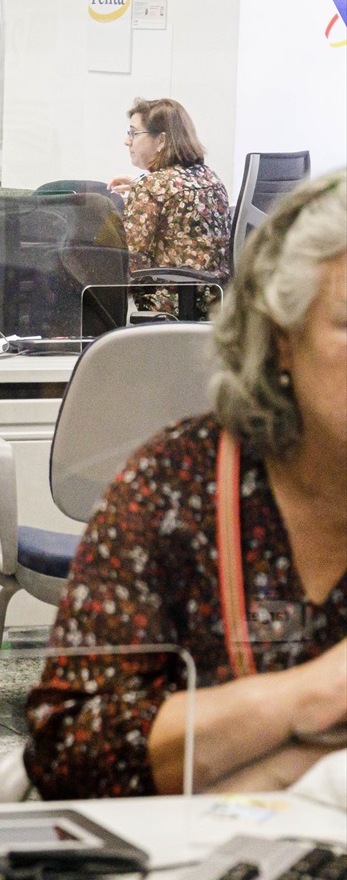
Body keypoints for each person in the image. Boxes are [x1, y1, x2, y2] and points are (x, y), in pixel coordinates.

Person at [25, 171, 347, 799]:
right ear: (282, 337)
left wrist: (282, 768)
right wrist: (313, 694)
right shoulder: (179, 487)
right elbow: (68, 756)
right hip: (194, 864)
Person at [111, 97, 232, 276]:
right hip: (216, 296)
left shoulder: (152, 187)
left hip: (167, 298)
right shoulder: (211, 178)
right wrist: (140, 188)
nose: (127, 141)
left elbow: (129, 259)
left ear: (161, 140)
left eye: (133, 133)